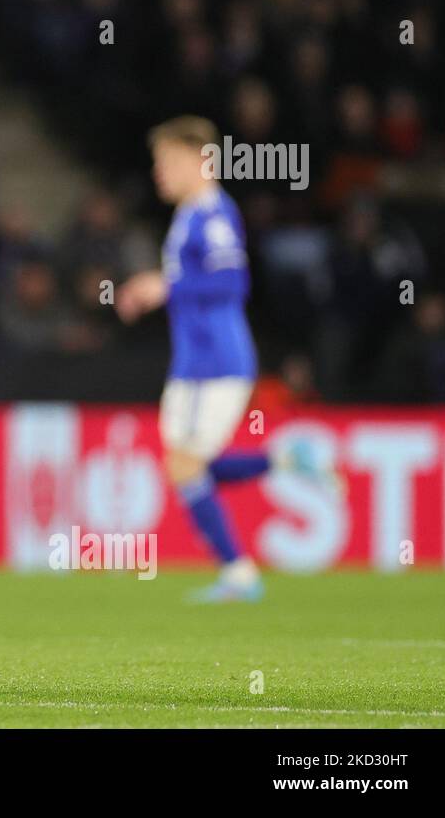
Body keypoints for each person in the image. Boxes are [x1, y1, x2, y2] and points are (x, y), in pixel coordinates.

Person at [116, 116, 338, 602]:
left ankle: (239, 573)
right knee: (186, 465)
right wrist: (155, 288)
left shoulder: (213, 214)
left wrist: (163, 286)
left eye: (169, 161)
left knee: (185, 465)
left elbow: (233, 282)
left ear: (202, 161)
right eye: (158, 163)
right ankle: (283, 460)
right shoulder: (191, 214)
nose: (160, 173)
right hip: (193, 361)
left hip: (217, 360)